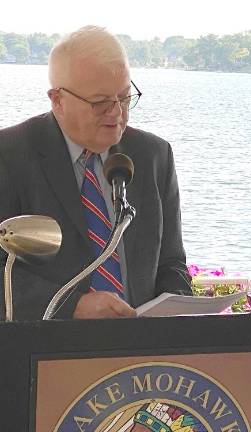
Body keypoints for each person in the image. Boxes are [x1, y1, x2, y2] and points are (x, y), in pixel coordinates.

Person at [0, 26, 191, 321]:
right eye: (100, 103)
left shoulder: (154, 156)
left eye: (125, 98)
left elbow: (172, 265)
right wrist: (72, 307)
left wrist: (172, 314)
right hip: (45, 351)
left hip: (142, 358)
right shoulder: (9, 156)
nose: (116, 113)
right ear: (57, 100)